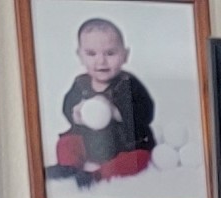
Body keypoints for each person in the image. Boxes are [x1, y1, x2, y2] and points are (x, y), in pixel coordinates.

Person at [50, 16, 155, 185]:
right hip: (88, 139)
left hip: (123, 144)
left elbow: (146, 112)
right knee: (66, 142)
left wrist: (116, 112)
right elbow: (67, 106)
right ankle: (68, 166)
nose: (101, 61)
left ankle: (98, 175)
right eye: (91, 54)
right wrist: (76, 112)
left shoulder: (128, 84)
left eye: (110, 53)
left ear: (125, 55)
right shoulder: (80, 83)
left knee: (139, 158)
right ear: (80, 56)